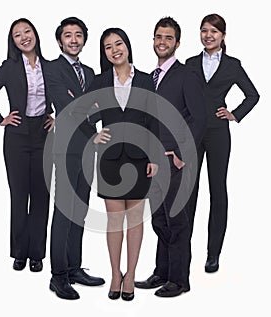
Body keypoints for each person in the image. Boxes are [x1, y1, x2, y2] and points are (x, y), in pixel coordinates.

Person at [78, 27, 159, 301]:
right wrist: (93, 134)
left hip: (139, 159)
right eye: (108, 47)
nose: (115, 49)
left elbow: (154, 120)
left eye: (118, 43)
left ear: (127, 45)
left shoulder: (146, 80)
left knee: (135, 221)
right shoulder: (100, 82)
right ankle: (115, 273)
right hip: (110, 159)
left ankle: (131, 275)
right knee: (114, 222)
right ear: (104, 53)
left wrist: (155, 158)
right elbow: (79, 110)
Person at [134, 16, 206, 297]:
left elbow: (199, 119)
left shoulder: (186, 75)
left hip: (174, 160)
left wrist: (182, 155)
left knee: (176, 220)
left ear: (177, 43)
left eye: (167, 38)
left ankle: (179, 280)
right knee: (159, 220)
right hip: (152, 160)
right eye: (158, 37)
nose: (162, 42)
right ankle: (161, 272)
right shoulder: (150, 77)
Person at [0, 18, 54, 273]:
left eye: (27, 31)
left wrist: (55, 115)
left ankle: (37, 254)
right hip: (17, 136)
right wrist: (0, 119)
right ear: (13, 41)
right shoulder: (9, 67)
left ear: (35, 34)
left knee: (41, 196)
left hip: (43, 134)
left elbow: (62, 93)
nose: (23, 37)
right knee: (20, 195)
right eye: (17, 35)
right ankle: (20, 252)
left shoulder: (50, 66)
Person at [185, 13, 260, 273]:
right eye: (204, 30)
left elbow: (253, 95)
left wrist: (234, 114)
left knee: (218, 190)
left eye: (214, 31)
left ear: (223, 36)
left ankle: (213, 254)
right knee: (188, 190)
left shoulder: (232, 65)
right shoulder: (190, 63)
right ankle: (184, 250)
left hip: (218, 133)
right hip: (193, 133)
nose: (208, 35)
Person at [43, 17, 105, 301]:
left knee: (80, 209)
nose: (74, 39)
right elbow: (65, 106)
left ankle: (74, 267)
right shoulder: (52, 68)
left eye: (78, 35)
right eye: (68, 35)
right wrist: (86, 104)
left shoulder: (91, 72)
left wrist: (87, 105)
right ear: (59, 41)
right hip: (66, 147)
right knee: (64, 210)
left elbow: (100, 106)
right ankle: (58, 276)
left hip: (89, 146)